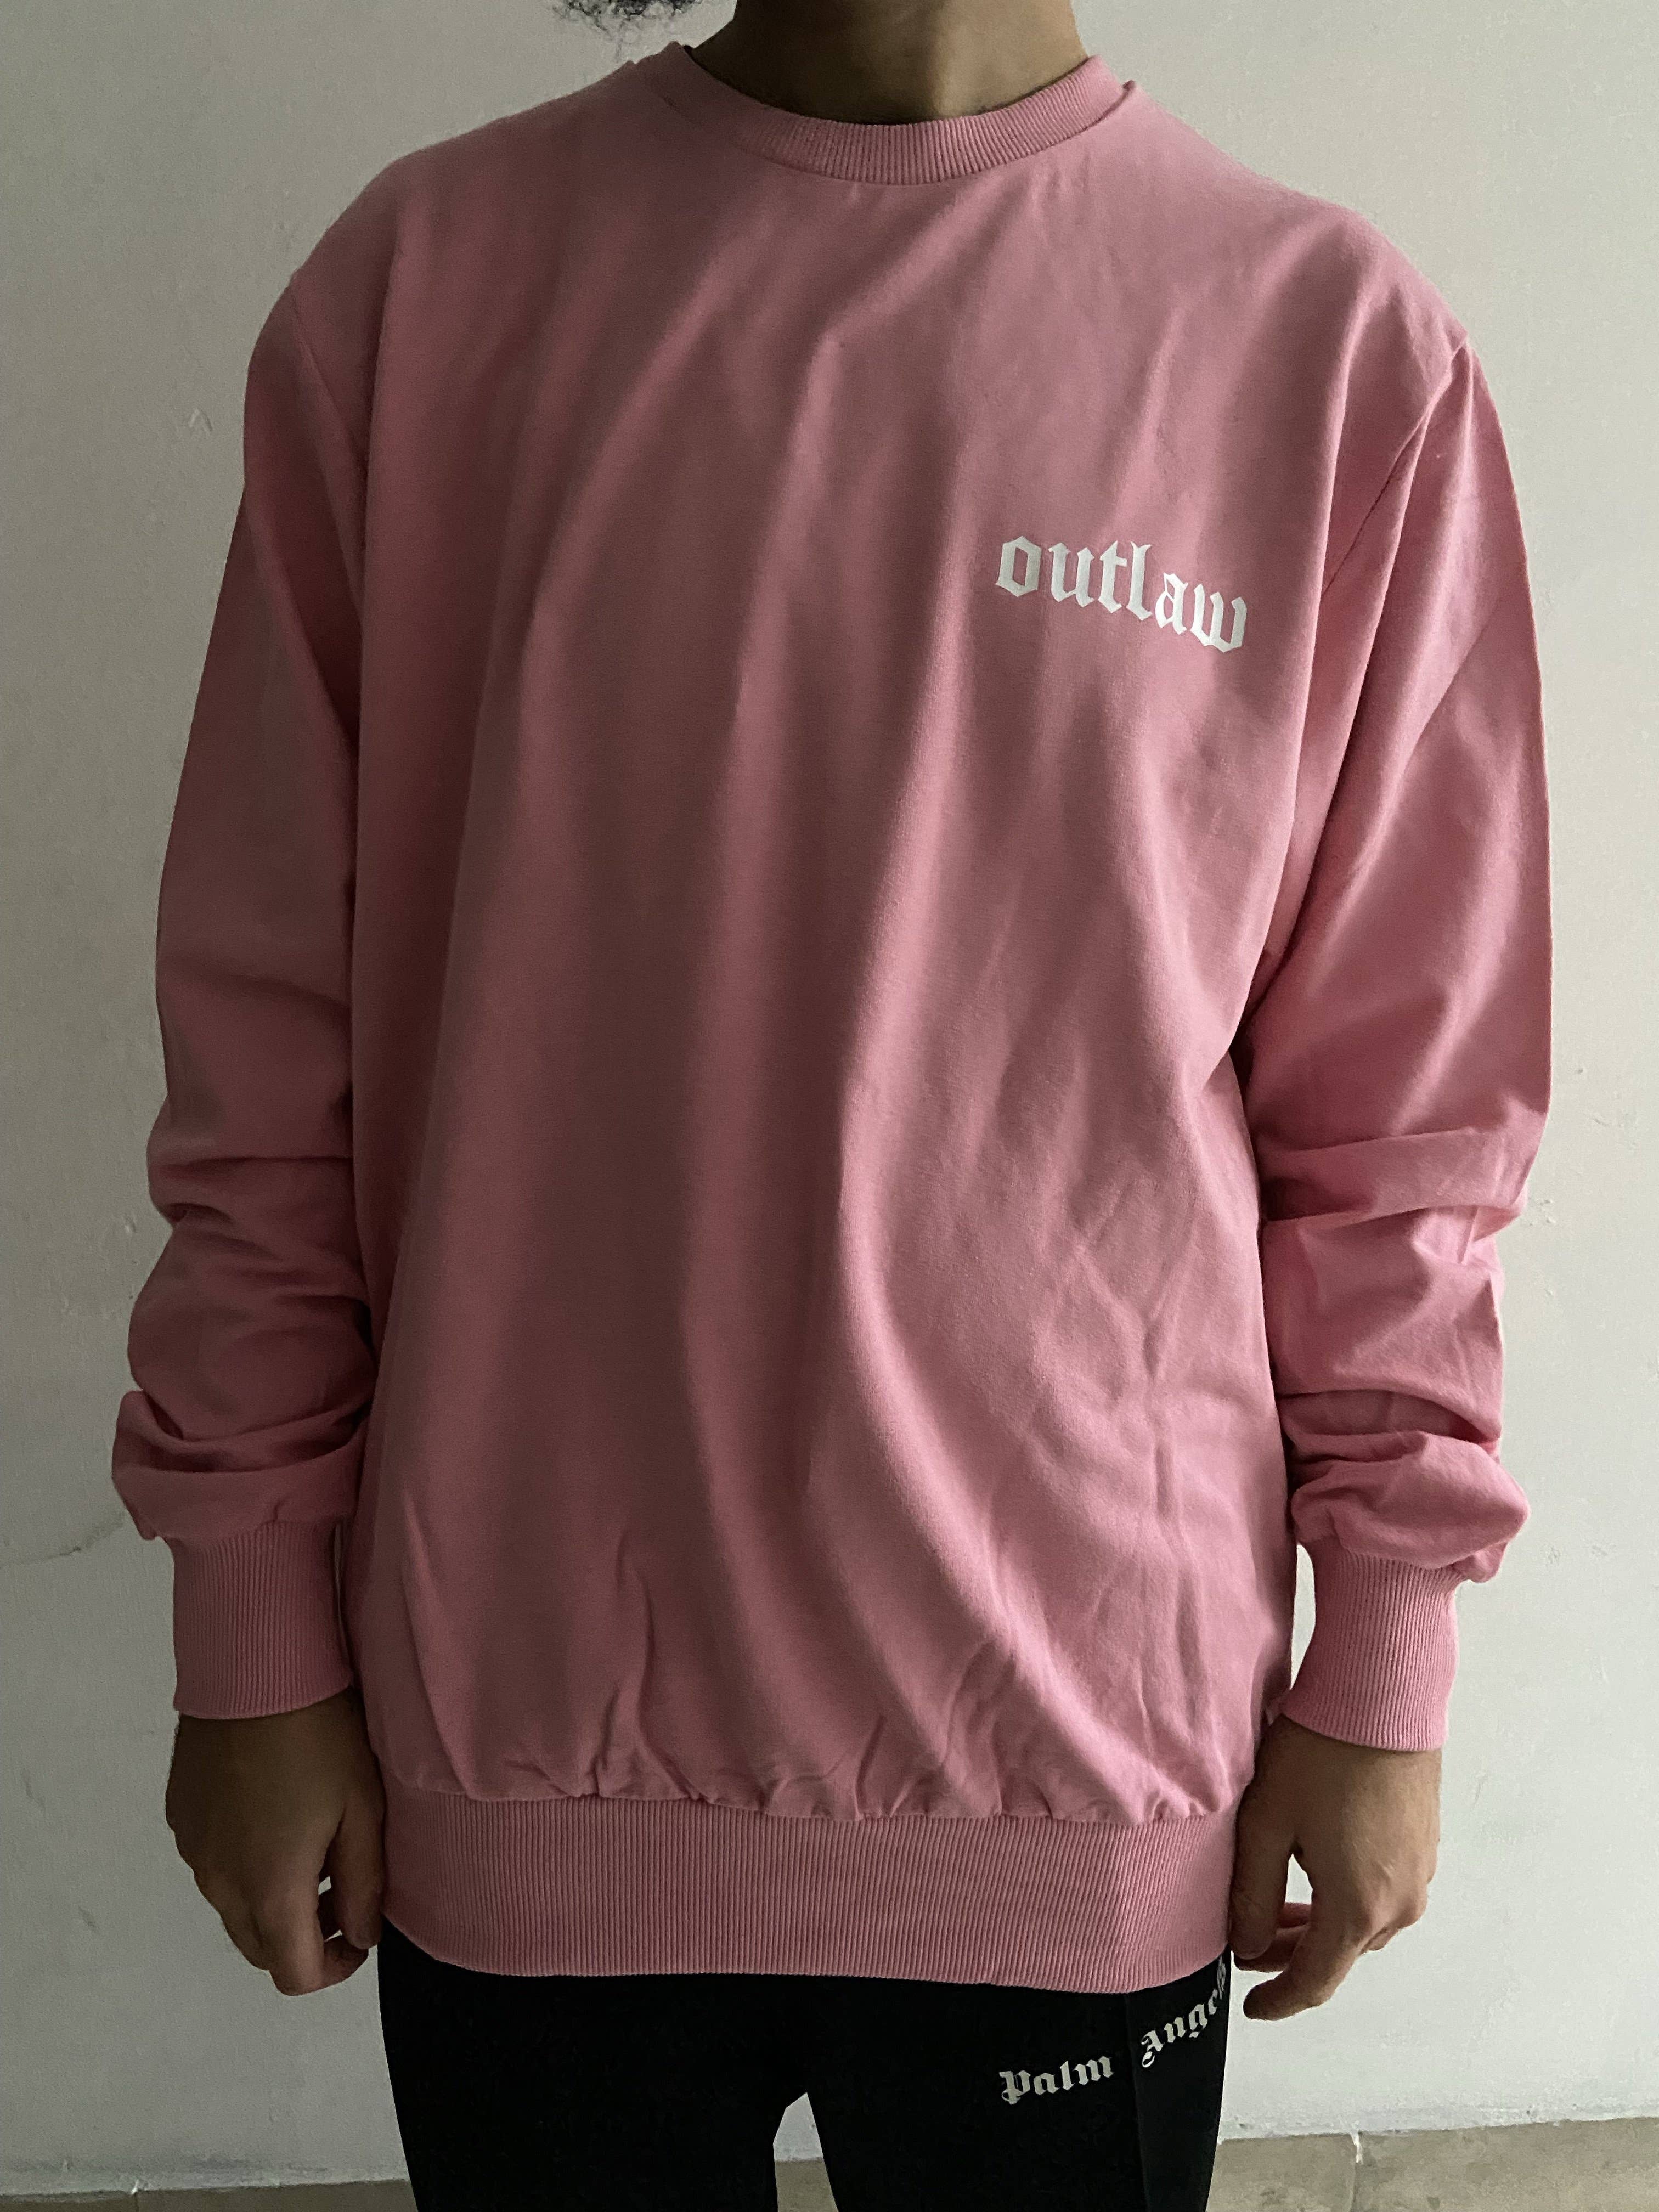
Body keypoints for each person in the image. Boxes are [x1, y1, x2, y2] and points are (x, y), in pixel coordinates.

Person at [111, 0, 1552, 2204]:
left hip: (1078, 1758)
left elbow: (1406, 1124)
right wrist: (247, 1626)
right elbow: (264, 1044)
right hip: (521, 1740)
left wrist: (1384, 1659)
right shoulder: (425, 290)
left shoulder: (1330, 351)